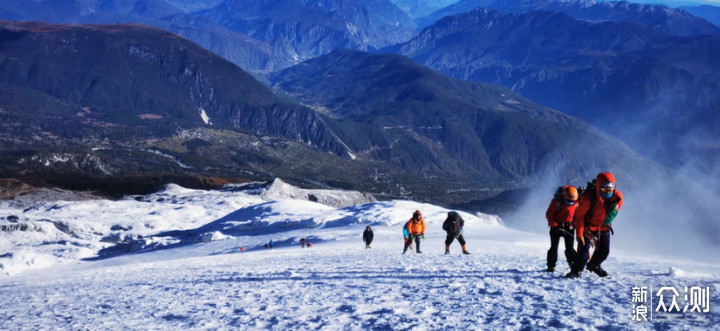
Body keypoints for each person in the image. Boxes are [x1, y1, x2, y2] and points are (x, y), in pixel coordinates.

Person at [566, 172, 623, 278]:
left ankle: (594, 266)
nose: (607, 193)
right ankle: (576, 271)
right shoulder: (588, 198)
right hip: (588, 227)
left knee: (604, 251)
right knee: (583, 252)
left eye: (610, 190)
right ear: (598, 188)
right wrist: (579, 234)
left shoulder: (617, 197)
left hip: (604, 227)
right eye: (604, 190)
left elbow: (614, 210)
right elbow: (580, 217)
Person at [545, 185, 579, 272]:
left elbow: (579, 216)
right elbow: (549, 215)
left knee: (569, 248)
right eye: (568, 200)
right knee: (554, 247)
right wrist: (555, 225)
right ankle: (551, 266)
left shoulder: (577, 204)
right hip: (557, 227)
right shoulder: (557, 202)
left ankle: (573, 264)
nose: (570, 202)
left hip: (569, 227)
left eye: (572, 201)